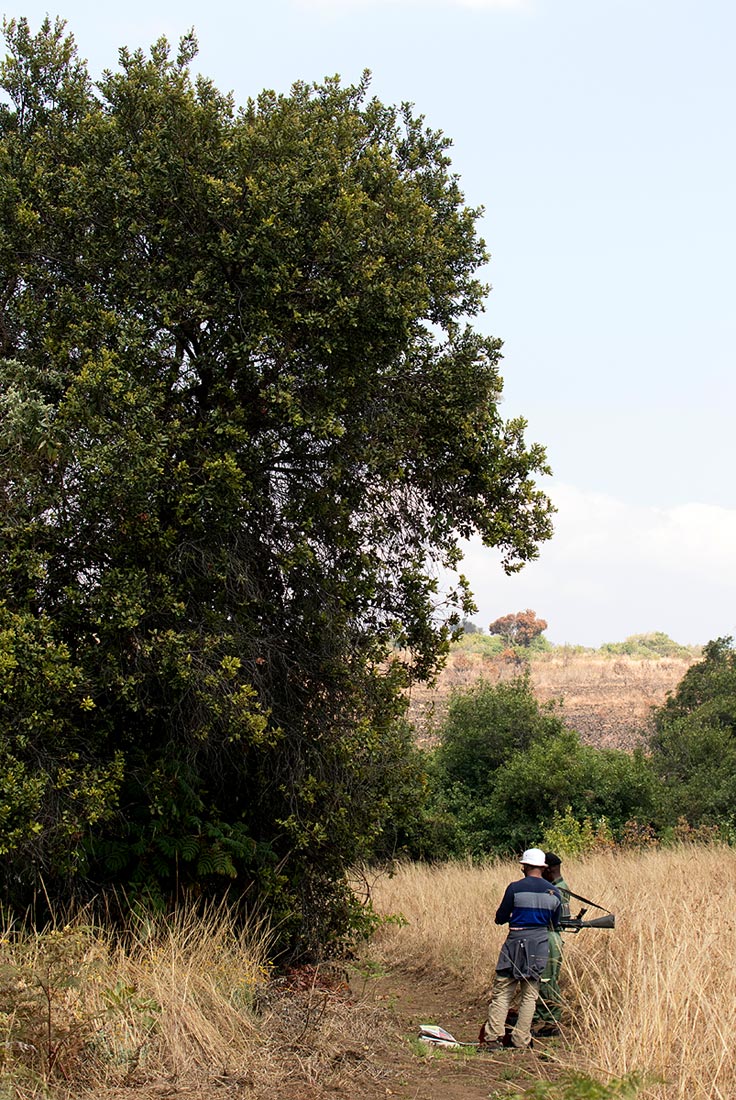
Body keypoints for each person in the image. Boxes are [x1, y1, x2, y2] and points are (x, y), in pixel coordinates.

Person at [479, 848, 561, 1051]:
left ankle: (493, 1038)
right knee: (530, 994)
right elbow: (555, 922)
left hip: (515, 942)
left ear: (524, 866)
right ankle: (521, 1039)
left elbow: (500, 917)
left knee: (503, 990)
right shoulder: (554, 892)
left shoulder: (514, 888)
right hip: (539, 944)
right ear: (543, 868)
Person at [532, 852, 571, 1036]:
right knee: (545, 980)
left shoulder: (557, 890)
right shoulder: (559, 888)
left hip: (549, 936)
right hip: (550, 937)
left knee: (546, 981)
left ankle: (551, 1021)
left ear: (547, 869)